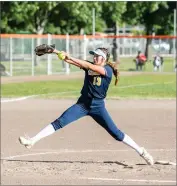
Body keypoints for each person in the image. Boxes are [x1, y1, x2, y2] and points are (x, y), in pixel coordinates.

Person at [19, 47, 154, 165]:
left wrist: (70, 57)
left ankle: (141, 151)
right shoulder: (90, 65)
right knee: (60, 122)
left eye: (97, 55)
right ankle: (32, 141)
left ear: (104, 58)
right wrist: (55, 52)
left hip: (98, 107)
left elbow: (88, 66)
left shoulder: (107, 69)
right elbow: (71, 61)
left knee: (116, 133)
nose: (94, 57)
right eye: (93, 55)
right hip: (82, 104)